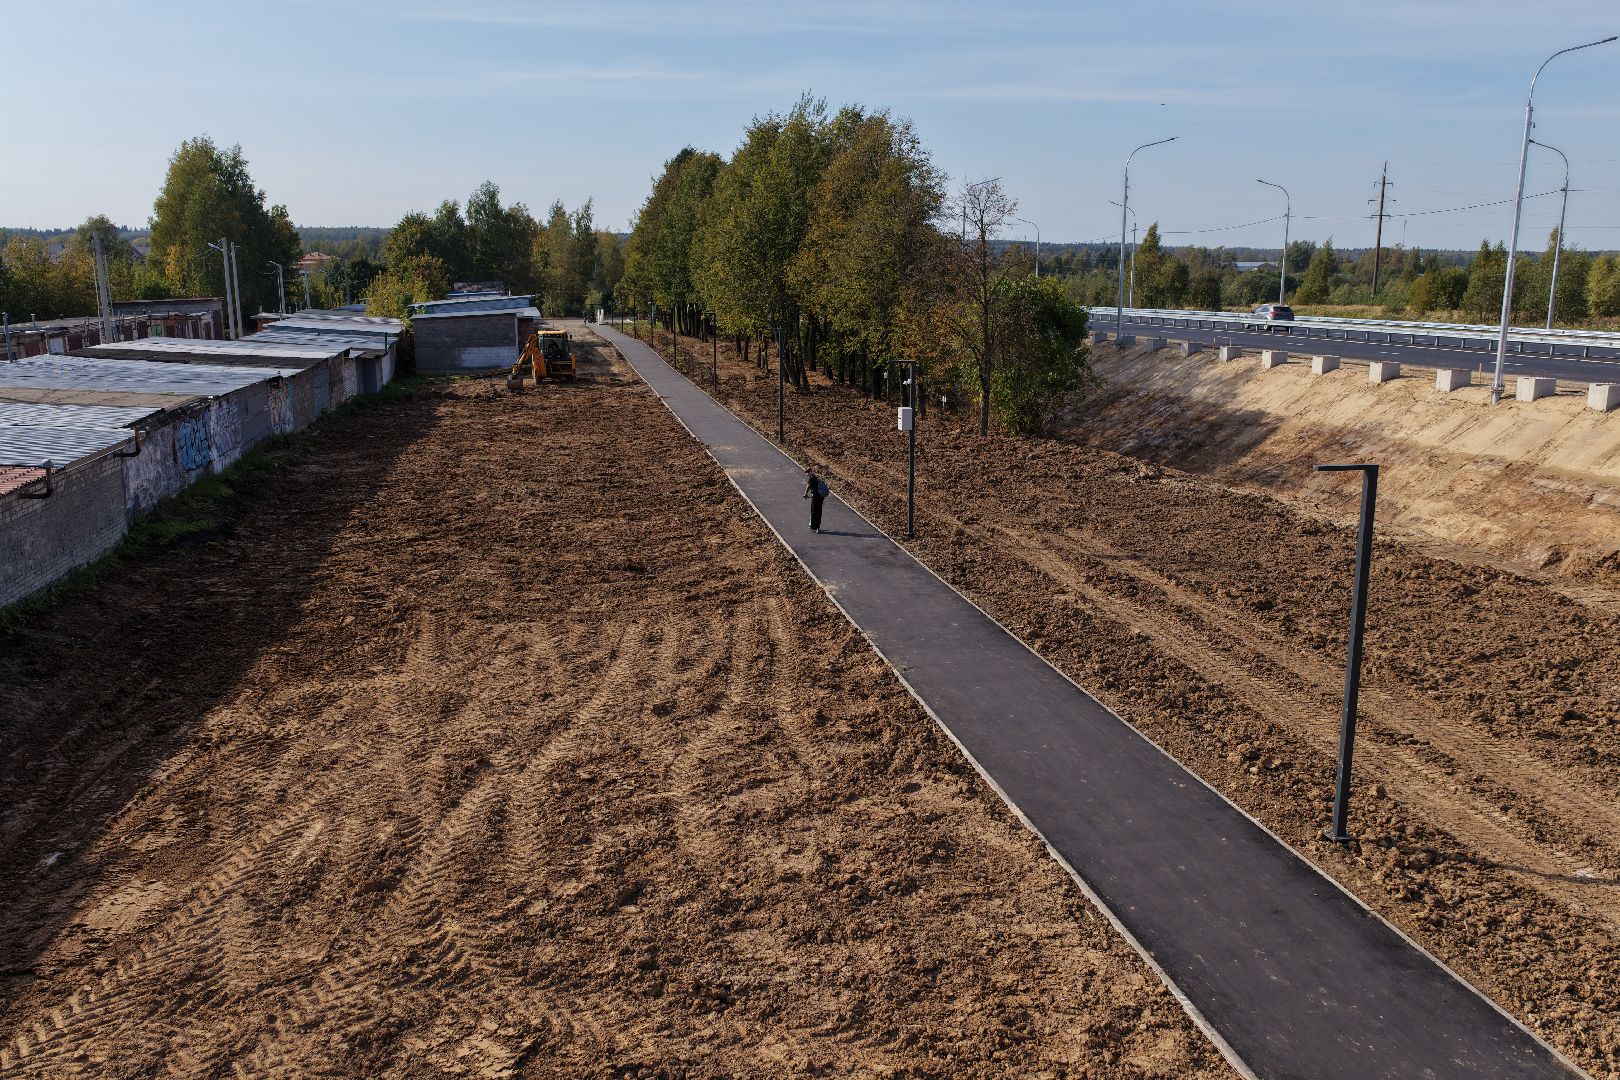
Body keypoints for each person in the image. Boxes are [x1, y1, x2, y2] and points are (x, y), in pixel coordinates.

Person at [803, 468, 829, 533]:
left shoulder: (812, 478)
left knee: (814, 511)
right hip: (821, 496)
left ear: (811, 472)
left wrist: (805, 494)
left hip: (816, 497)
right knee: (819, 511)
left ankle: (814, 527)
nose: (807, 474)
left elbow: (808, 486)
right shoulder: (818, 477)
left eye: (808, 472)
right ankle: (815, 526)